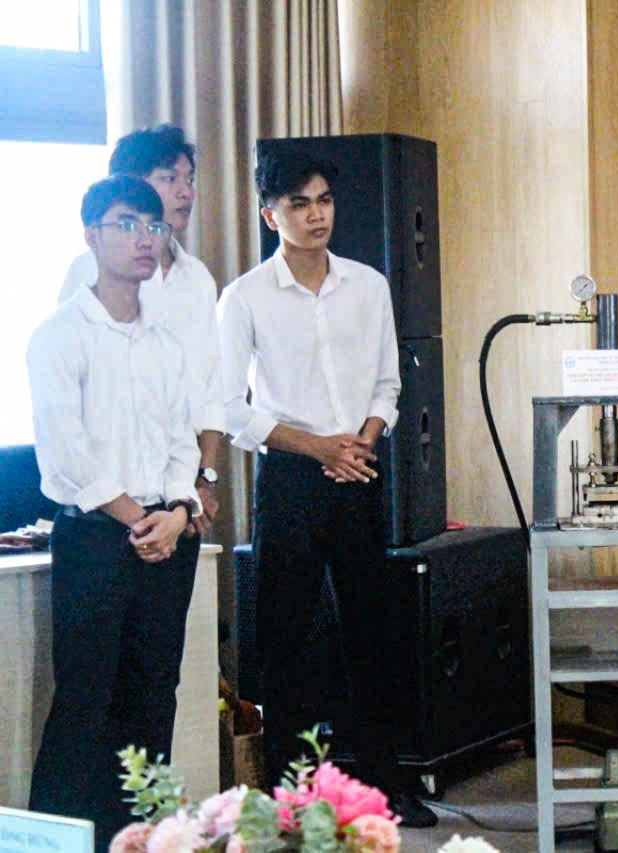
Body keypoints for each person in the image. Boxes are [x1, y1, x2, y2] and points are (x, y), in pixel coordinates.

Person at [217, 145, 435, 826]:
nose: (316, 216)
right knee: (284, 642)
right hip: (289, 475)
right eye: (299, 203)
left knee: (374, 632)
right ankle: (290, 799)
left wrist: (362, 440)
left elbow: (388, 382)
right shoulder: (245, 296)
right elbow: (229, 407)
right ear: (269, 212)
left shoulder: (367, 284)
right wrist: (316, 446)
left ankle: (384, 789)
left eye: (325, 201)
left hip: (361, 467)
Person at [27, 176, 203, 851]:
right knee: (84, 707)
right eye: (126, 223)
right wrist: (143, 518)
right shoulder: (58, 334)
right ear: (91, 235)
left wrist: (181, 509)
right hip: (98, 540)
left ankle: (141, 841)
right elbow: (68, 456)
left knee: (153, 704)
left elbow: (182, 441)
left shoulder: (166, 338)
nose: (142, 239)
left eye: (153, 227)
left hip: (167, 537)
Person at [59, 124, 222, 535]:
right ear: (129, 187)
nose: (186, 192)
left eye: (189, 180)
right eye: (169, 179)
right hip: (107, 499)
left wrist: (204, 479)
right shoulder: (88, 271)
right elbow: (73, 398)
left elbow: (209, 387)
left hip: (179, 498)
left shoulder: (197, 277)